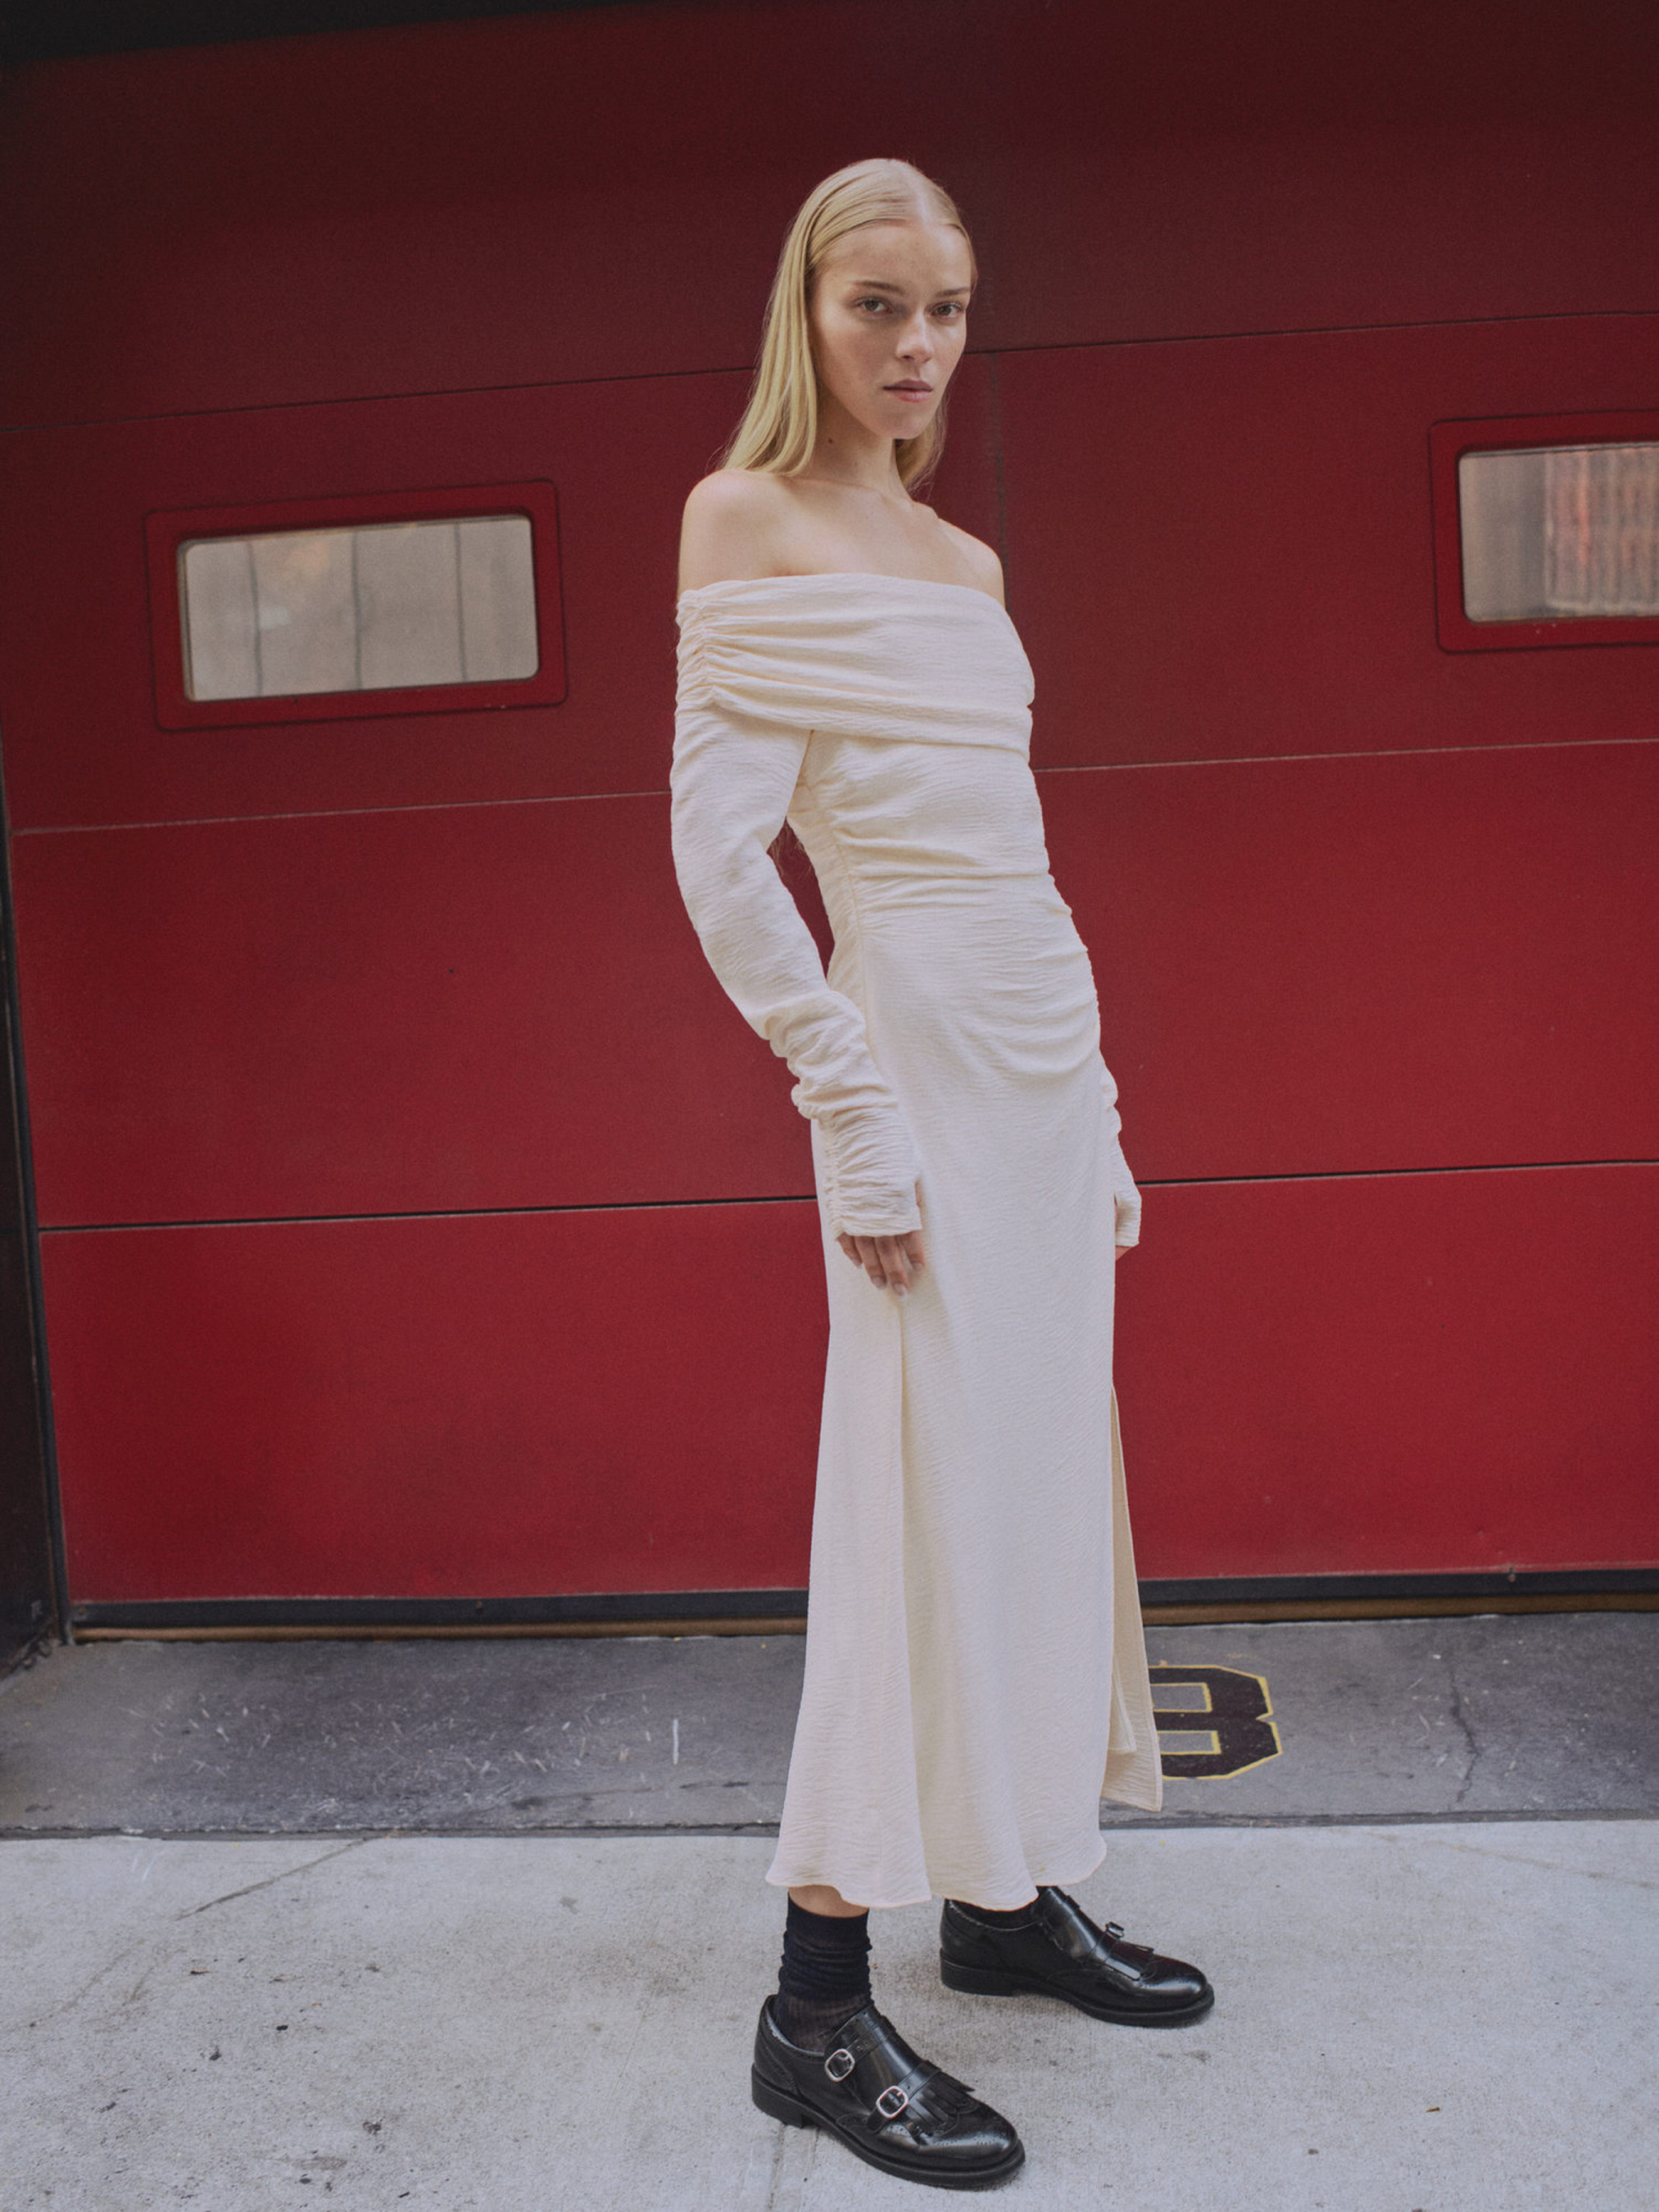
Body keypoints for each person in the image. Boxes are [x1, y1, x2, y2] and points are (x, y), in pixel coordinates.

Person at [671, 157, 1211, 2191]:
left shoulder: (967, 565)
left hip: (1038, 1076)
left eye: (948, 308)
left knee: (1035, 1489)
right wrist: (848, 1106)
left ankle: (999, 1893)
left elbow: (1019, 861)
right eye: (876, 305)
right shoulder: (741, 517)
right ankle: (813, 2007)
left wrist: (1103, 1105)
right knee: (907, 1507)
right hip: (902, 1072)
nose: (916, 346)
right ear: (805, 311)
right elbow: (721, 861)